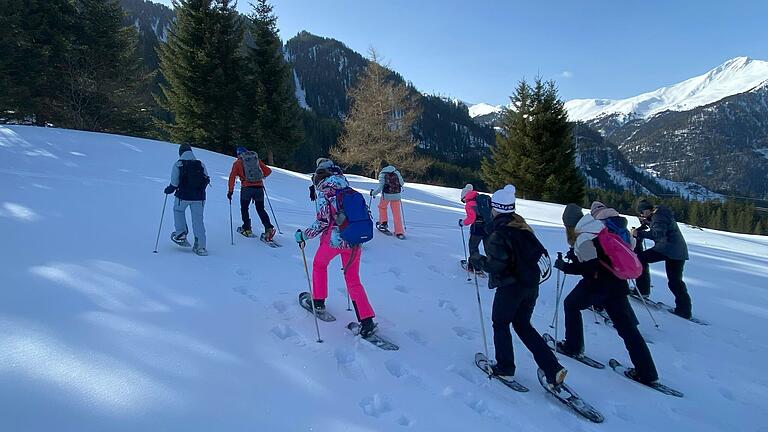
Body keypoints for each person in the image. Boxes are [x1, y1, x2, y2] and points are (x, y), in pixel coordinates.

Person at [470, 185, 567, 387]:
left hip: (511, 287)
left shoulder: (499, 233)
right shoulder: (521, 226)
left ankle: (505, 368)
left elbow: (496, 265)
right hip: (531, 286)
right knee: (523, 325)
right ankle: (552, 368)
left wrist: (477, 260)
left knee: (501, 322)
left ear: (494, 208)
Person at [554, 212, 660, 385]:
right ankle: (647, 372)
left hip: (597, 285)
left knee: (571, 305)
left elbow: (590, 267)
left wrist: (566, 266)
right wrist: (575, 256)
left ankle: (573, 347)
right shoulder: (601, 230)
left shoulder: (584, 237)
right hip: (617, 284)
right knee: (628, 330)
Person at [295, 159, 377, 337]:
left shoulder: (326, 192)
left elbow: (322, 221)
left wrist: (304, 235)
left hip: (334, 241)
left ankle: (318, 302)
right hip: (354, 240)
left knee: (319, 265)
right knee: (353, 279)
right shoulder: (348, 189)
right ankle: (367, 321)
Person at [632, 199, 692, 319]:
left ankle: (643, 290)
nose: (642, 215)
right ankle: (684, 309)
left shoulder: (659, 217)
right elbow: (656, 227)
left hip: (668, 250)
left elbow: (658, 234)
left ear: (646, 210)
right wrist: (643, 226)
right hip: (674, 251)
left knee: (640, 259)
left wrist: (638, 234)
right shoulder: (659, 214)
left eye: (642, 213)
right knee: (675, 281)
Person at [164, 143, 210, 256]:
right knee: (198, 220)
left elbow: (174, 184)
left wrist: (168, 190)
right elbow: (206, 179)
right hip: (199, 197)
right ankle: (201, 247)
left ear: (181, 152)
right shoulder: (200, 164)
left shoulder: (178, 164)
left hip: (183, 196)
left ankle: (181, 234)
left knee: (178, 211)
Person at [227, 147, 275, 240]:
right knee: (260, 209)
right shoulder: (256, 160)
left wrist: (230, 191)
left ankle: (247, 228)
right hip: (259, 188)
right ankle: (268, 228)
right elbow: (268, 171)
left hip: (246, 188)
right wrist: (261, 177)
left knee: (244, 208)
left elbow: (232, 177)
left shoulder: (237, 163)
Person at [459, 184, 492, 272]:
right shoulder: (480, 200)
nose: (464, 202)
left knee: (473, 246)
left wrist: (463, 222)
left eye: (463, 200)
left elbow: (471, 218)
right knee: (488, 247)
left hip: (477, 228)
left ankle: (475, 267)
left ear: (464, 197)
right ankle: (492, 266)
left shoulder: (469, 204)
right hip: (488, 227)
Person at [371, 161, 406, 239]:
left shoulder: (382, 173)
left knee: (382, 207)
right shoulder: (396, 172)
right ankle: (399, 232)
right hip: (396, 195)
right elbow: (402, 183)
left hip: (386, 195)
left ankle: (383, 223)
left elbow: (380, 188)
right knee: (396, 214)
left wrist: (373, 193)